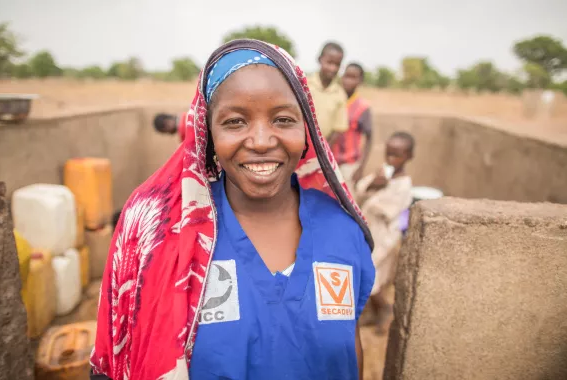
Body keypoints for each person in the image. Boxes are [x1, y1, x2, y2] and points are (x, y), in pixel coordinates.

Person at [90, 39, 375, 380]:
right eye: (235, 122)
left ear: (308, 131)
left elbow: (349, 350)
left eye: (283, 119)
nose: (261, 141)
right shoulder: (164, 238)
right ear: (207, 134)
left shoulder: (342, 231)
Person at [354, 131, 414, 333]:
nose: (391, 159)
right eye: (388, 154)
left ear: (408, 157)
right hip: (368, 234)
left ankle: (385, 310)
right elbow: (361, 189)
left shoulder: (404, 185)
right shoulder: (382, 174)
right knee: (369, 278)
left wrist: (380, 189)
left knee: (373, 278)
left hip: (383, 238)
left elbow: (385, 209)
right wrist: (373, 184)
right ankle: (372, 313)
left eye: (397, 155)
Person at [332, 62, 373, 195]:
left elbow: (370, 138)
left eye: (353, 77)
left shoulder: (363, 107)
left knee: (347, 201)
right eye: (346, 76)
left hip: (349, 165)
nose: (348, 81)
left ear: (360, 80)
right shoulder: (334, 100)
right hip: (330, 161)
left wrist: (361, 167)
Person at [307, 42, 348, 147]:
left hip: (322, 148)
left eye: (337, 64)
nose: (333, 68)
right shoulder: (304, 84)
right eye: (329, 63)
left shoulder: (340, 94)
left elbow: (338, 129)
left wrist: (323, 151)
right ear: (319, 59)